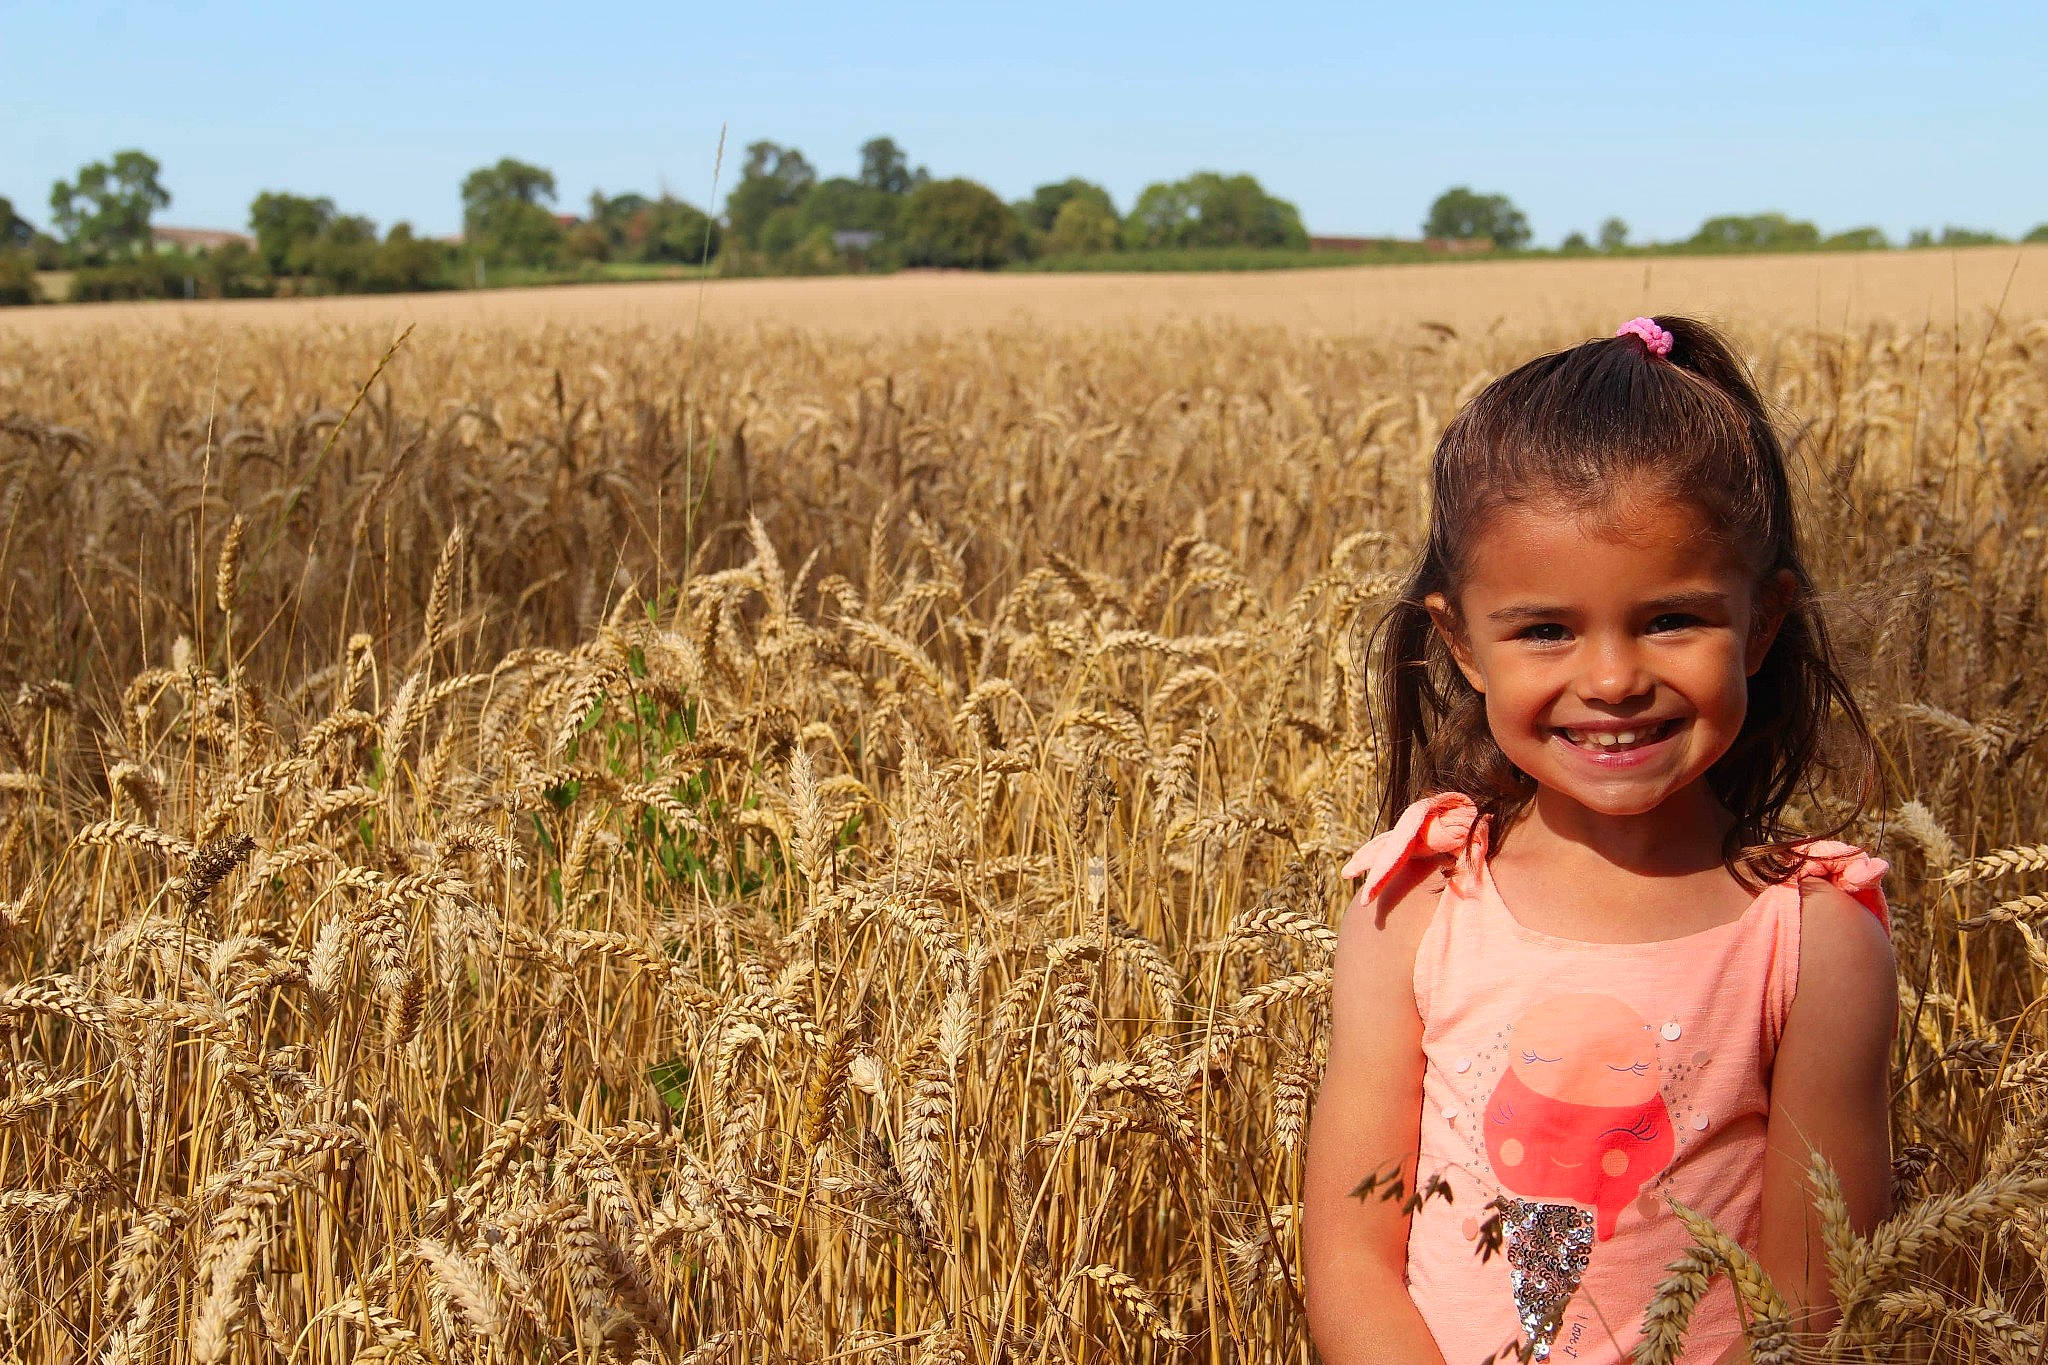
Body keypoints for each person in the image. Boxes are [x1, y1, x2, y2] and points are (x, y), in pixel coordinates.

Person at [1300, 317, 1896, 1364]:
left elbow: (1813, 1304)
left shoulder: (1811, 936)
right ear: (1459, 643)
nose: (1613, 679)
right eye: (1544, 631)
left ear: (1761, 624)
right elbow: (1352, 1246)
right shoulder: (1416, 902)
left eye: (1670, 619)